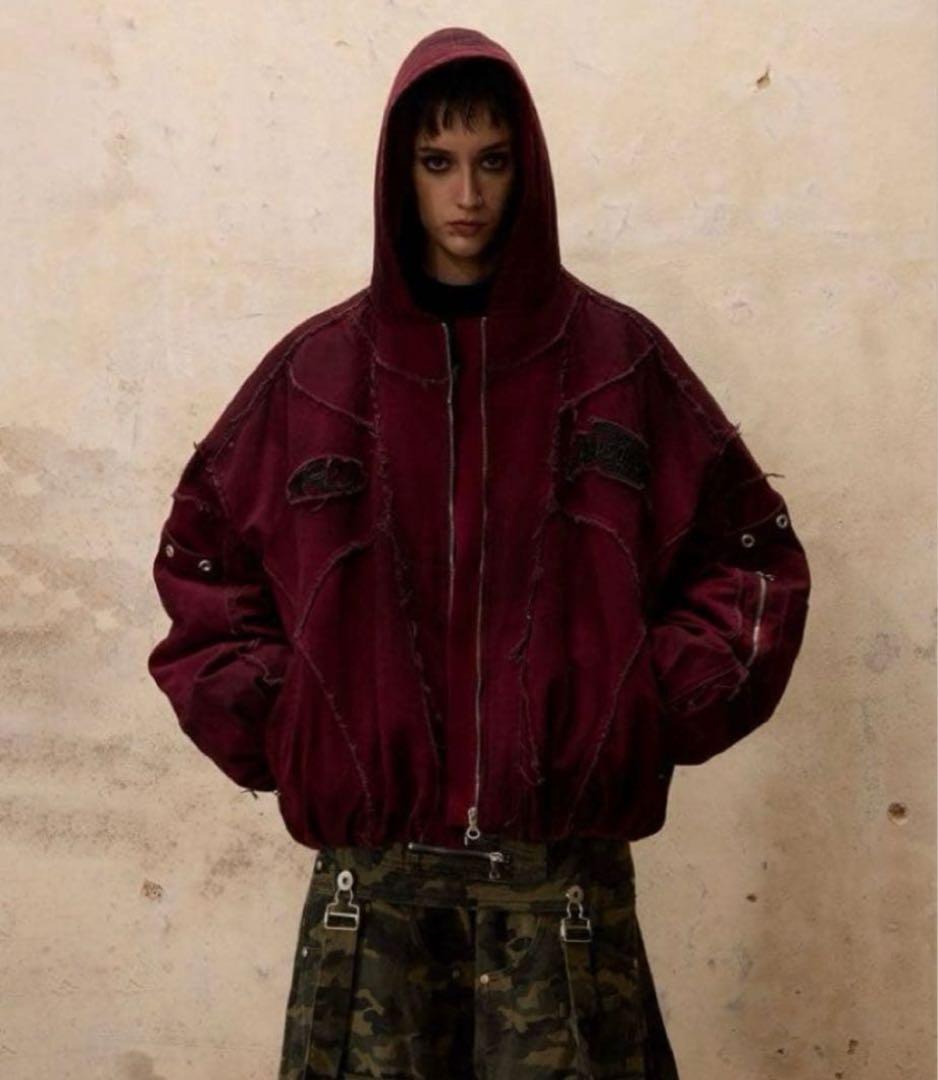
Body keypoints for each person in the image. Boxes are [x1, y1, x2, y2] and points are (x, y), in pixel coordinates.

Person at [147, 26, 811, 1079]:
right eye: (437, 162)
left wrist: (640, 701)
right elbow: (203, 564)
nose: (466, 195)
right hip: (372, 905)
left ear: (526, 166)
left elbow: (753, 562)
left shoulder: (616, 362)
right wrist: (295, 718)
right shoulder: (317, 375)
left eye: (492, 161)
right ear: (397, 174)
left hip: (563, 898)